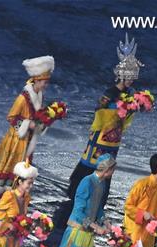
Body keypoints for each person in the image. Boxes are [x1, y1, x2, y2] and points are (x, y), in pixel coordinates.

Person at [59, 35, 143, 217]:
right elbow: (99, 109)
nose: (130, 82)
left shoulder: (131, 93)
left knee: (107, 165)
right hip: (101, 135)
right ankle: (77, 193)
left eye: (132, 79)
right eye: (128, 78)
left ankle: (99, 199)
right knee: (90, 164)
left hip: (115, 138)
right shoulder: (110, 92)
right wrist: (114, 113)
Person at [0, 57, 54, 194]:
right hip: (16, 140)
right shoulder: (23, 98)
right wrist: (27, 124)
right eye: (44, 82)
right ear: (36, 80)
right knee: (10, 168)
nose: (46, 85)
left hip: (28, 140)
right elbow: (12, 117)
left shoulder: (39, 96)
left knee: (22, 170)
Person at [49, 155, 116, 247]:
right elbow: (78, 211)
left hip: (87, 233)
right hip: (77, 231)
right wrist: (95, 227)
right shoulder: (87, 181)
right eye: (112, 169)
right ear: (106, 169)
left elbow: (98, 207)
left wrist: (105, 221)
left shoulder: (102, 184)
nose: (113, 172)